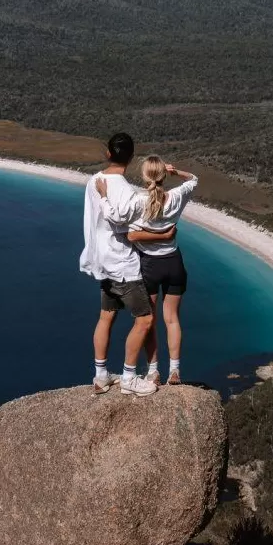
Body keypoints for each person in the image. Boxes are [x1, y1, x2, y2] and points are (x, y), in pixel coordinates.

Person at [79, 132, 159, 396]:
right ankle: (129, 377)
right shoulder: (126, 190)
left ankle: (101, 376)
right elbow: (121, 220)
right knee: (145, 319)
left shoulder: (94, 181)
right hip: (122, 264)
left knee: (106, 316)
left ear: (108, 154)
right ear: (131, 157)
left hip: (101, 261)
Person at [106, 155, 197, 385]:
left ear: (144, 176)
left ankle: (153, 372)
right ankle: (174, 371)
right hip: (174, 263)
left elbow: (130, 233)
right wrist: (175, 172)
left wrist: (105, 195)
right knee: (172, 319)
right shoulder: (176, 197)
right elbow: (194, 179)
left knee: (149, 321)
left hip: (149, 266)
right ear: (164, 175)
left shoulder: (138, 201)